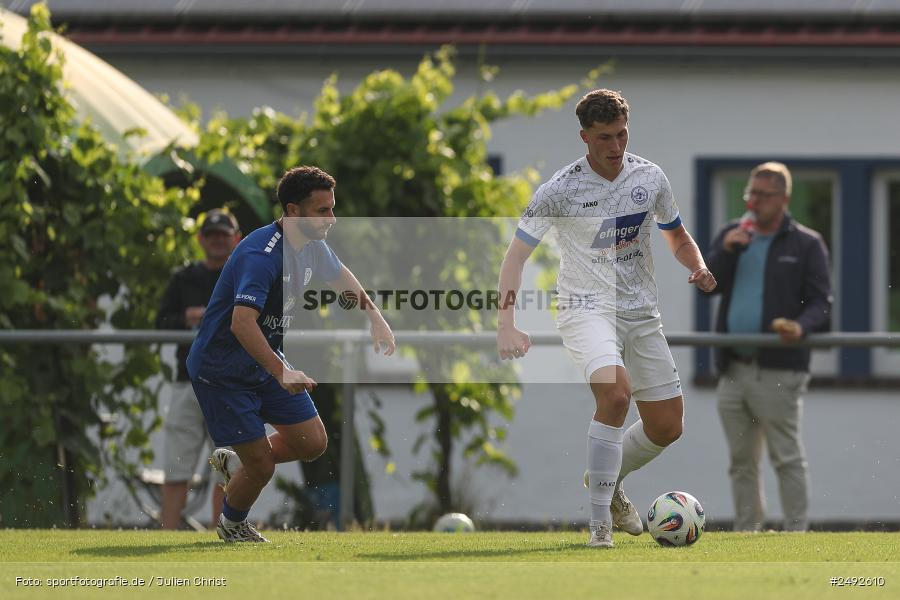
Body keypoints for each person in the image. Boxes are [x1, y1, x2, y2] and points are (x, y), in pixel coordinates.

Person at [496, 89, 717, 548]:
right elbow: (515, 256)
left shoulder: (649, 177)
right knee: (616, 395)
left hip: (641, 313)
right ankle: (600, 526)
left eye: (621, 134)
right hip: (585, 310)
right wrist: (506, 323)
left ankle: (607, 479)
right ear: (584, 137)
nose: (615, 146)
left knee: (667, 426)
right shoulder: (559, 190)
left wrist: (696, 265)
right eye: (604, 138)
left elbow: (677, 236)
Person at [186, 166, 396, 543]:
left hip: (263, 361)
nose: (332, 219)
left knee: (312, 442)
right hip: (222, 371)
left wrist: (374, 317)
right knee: (262, 467)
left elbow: (340, 275)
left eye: (332, 208)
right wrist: (282, 371)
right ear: (293, 211)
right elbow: (241, 324)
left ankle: (239, 462)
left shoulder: (312, 244)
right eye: (322, 211)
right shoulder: (261, 254)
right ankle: (233, 525)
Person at [704, 162, 831, 532]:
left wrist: (801, 326)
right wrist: (727, 252)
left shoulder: (806, 243)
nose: (753, 202)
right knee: (741, 461)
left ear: (784, 199)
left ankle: (795, 534)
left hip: (780, 367)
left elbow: (822, 303)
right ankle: (747, 533)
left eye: (762, 195)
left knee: (786, 457)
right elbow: (707, 286)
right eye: (751, 193)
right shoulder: (732, 235)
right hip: (733, 367)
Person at [156, 208, 241, 530]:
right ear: (201, 239)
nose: (218, 241)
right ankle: (167, 533)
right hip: (188, 383)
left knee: (229, 468)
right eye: (212, 235)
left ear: (237, 238)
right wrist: (186, 319)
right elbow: (160, 323)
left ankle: (224, 531)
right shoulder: (183, 279)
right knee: (176, 467)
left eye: (224, 235)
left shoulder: (245, 275)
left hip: (229, 384)